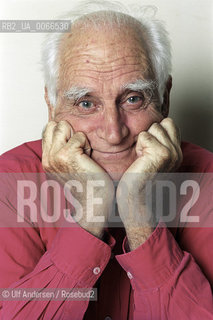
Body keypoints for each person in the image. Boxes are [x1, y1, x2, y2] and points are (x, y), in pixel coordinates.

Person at [0, 1, 213, 319]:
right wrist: (91, 211)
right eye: (86, 102)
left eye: (133, 98)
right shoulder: (11, 180)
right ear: (52, 106)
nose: (113, 132)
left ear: (165, 99)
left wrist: (138, 212)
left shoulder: (206, 178)